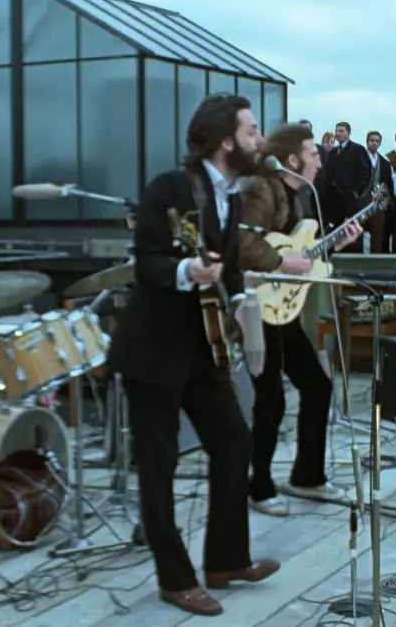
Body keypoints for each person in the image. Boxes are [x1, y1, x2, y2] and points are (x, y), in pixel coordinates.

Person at [105, 94, 279, 617]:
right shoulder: (172, 189)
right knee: (158, 471)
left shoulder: (229, 195)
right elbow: (148, 264)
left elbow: (225, 266)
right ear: (227, 140)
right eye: (252, 131)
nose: (260, 139)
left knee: (233, 443)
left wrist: (241, 298)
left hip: (203, 347)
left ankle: (225, 560)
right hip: (154, 351)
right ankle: (174, 578)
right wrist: (186, 272)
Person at [237, 123, 360, 517]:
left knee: (317, 385)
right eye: (312, 153)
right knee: (269, 398)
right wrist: (281, 261)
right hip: (256, 306)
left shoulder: (302, 200)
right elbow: (245, 244)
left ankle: (307, 476)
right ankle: (258, 486)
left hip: (282, 310)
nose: (319, 160)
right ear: (293, 159)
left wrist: (334, 245)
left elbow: (303, 254)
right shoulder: (260, 188)